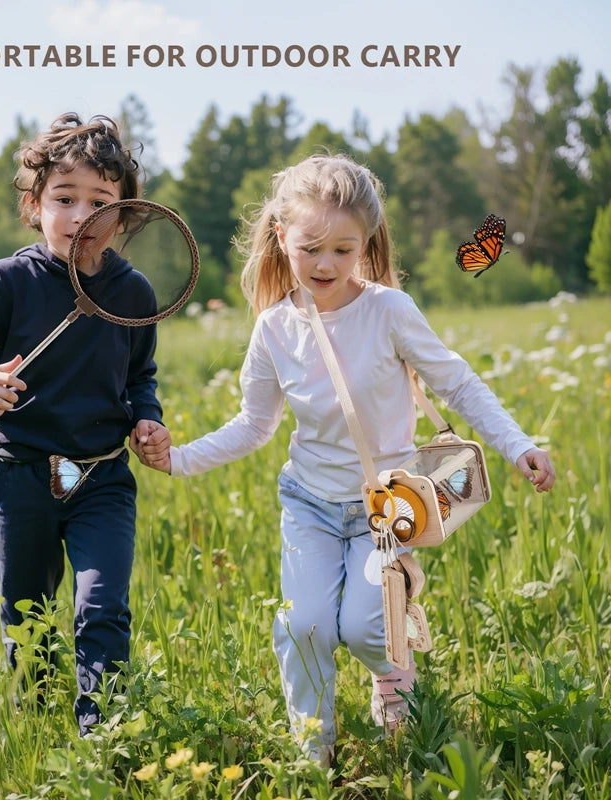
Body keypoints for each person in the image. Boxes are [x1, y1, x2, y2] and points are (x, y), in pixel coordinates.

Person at [131, 153, 555, 765]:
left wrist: (519, 446)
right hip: (309, 506)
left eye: (343, 249)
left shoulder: (389, 312)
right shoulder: (275, 328)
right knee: (304, 627)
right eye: (310, 249)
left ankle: (395, 678)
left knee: (363, 626)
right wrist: (179, 460)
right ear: (282, 238)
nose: (325, 264)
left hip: (390, 505)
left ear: (367, 243)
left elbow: (458, 385)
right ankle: (314, 752)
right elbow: (255, 424)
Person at [0, 112, 171, 734]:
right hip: (21, 478)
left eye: (101, 201)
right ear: (34, 206)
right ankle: (37, 723)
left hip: (101, 478)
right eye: (65, 199)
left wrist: (147, 420)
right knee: (26, 613)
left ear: (122, 214)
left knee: (102, 605)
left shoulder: (133, 293)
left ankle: (101, 728)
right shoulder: (4, 282)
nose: (82, 215)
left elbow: (139, 375)